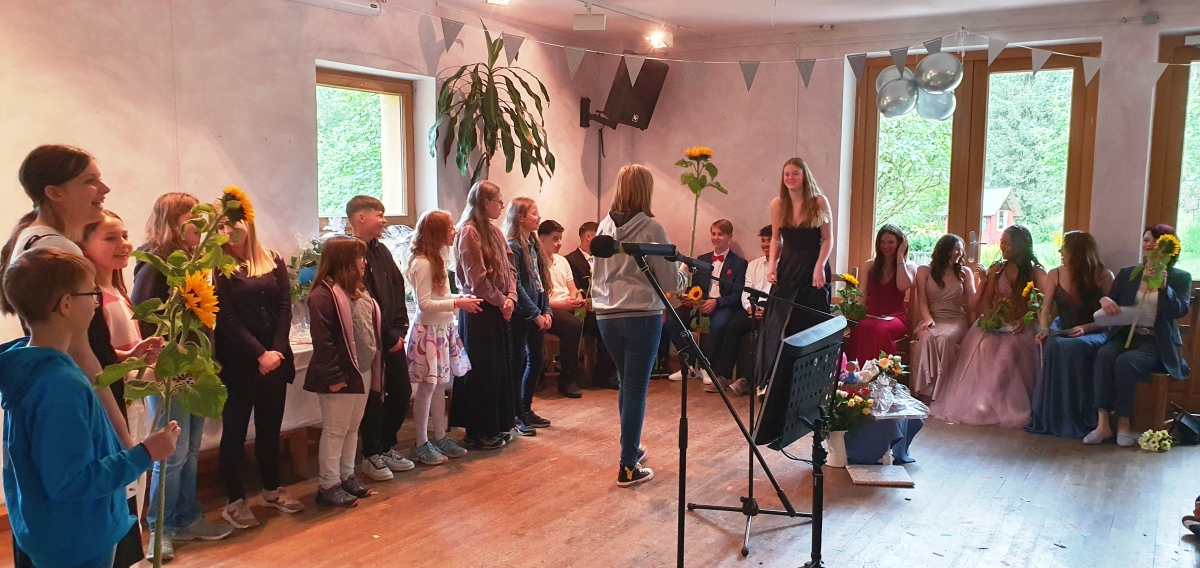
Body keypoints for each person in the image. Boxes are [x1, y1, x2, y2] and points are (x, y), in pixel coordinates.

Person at [0, 248, 181, 568]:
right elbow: (70, 481)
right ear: (66, 304)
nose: (97, 303)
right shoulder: (59, 386)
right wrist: (146, 453)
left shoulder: (30, 367)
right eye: (92, 294)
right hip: (78, 539)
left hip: (59, 531)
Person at [133, 193, 233, 559]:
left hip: (195, 369)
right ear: (173, 222)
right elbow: (145, 318)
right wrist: (163, 360)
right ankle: (161, 529)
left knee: (190, 450)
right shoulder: (156, 263)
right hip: (169, 371)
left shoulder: (194, 260)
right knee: (170, 455)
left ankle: (188, 517)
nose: (202, 226)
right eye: (193, 218)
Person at [592, 164, 687, 488]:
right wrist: (683, 275)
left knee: (626, 383)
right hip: (640, 315)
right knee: (635, 388)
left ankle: (630, 448)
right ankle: (628, 466)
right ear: (646, 191)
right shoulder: (651, 228)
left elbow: (598, 274)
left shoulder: (604, 226)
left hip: (607, 314)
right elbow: (668, 281)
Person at [214, 217, 304, 528]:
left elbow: (284, 306)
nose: (227, 231)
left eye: (233, 223)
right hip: (239, 361)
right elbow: (226, 317)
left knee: (270, 428)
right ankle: (235, 501)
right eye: (221, 226)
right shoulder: (218, 266)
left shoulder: (272, 258)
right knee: (235, 430)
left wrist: (275, 351)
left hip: (275, 359)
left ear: (248, 223)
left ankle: (271, 490)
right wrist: (259, 354)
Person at [930, 225, 1045, 428]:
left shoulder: (1035, 271)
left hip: (1023, 326)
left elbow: (1044, 302)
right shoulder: (997, 269)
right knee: (985, 345)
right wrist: (991, 319)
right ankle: (980, 399)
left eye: (1007, 243)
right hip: (998, 323)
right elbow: (986, 300)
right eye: (1002, 242)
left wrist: (1025, 320)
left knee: (1008, 349)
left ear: (1020, 246)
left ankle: (988, 398)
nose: (1003, 247)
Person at [1086, 225, 1191, 447]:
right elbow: (1110, 301)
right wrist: (1104, 300)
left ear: (1166, 246)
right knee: (1104, 354)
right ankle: (1102, 424)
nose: (1148, 244)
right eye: (1145, 240)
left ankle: (1124, 424)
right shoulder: (1128, 273)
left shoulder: (1180, 277)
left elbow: (1179, 310)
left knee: (1126, 361)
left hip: (1155, 342)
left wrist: (1165, 288)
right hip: (1126, 335)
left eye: (1154, 240)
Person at [305, 236, 381, 507]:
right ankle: (328, 484)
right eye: (359, 257)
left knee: (352, 428)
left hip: (361, 370)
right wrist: (334, 375)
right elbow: (323, 341)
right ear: (344, 261)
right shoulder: (323, 295)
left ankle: (346, 476)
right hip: (340, 374)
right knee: (335, 430)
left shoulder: (359, 290)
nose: (364, 262)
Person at [346, 196, 415, 481]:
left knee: (401, 392)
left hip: (393, 337)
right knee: (373, 397)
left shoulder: (382, 251)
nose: (385, 220)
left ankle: (386, 445)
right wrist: (386, 336)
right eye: (379, 214)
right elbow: (365, 299)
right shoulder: (349, 253)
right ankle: (371, 453)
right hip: (370, 340)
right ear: (360, 217)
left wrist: (400, 328)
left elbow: (398, 288)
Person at [405, 210, 480, 465]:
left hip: (441, 329)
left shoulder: (435, 259)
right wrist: (457, 303)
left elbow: (440, 297)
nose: (455, 232)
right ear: (437, 232)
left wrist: (460, 298)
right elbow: (425, 304)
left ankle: (439, 437)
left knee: (439, 386)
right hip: (428, 331)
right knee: (426, 388)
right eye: (450, 228)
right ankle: (421, 442)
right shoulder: (423, 263)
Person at [451, 181, 519, 450]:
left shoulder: (495, 232)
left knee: (498, 369)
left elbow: (511, 267)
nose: (501, 206)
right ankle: (478, 431)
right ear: (485, 203)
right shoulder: (469, 232)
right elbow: (476, 280)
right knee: (481, 372)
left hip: (499, 307)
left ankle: (496, 425)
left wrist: (511, 297)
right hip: (479, 309)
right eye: (498, 201)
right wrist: (502, 301)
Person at [1028, 231, 1114, 439]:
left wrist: (1086, 328)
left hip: (1094, 330)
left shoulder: (1104, 276)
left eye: (1064, 247)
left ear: (1077, 252)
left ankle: (1079, 416)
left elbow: (1110, 318)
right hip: (1063, 327)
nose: (1060, 251)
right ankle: (1054, 416)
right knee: (1054, 344)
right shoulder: (1055, 274)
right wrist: (1043, 329)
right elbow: (1046, 310)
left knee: (1073, 346)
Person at [757, 158, 833, 390]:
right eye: (787, 174)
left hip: (813, 267)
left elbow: (828, 239)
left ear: (805, 176)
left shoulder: (819, 201)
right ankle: (776, 382)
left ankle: (811, 382)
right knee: (778, 321)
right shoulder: (778, 204)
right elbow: (776, 239)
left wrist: (820, 266)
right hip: (788, 266)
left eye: (795, 173)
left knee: (809, 321)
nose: (790, 178)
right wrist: (772, 265)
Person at [910, 234, 976, 400]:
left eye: (961, 250)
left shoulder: (965, 272)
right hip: (932, 316)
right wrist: (927, 318)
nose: (960, 254)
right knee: (926, 337)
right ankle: (925, 391)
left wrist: (984, 281)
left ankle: (942, 393)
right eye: (956, 249)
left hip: (956, 319)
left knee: (944, 340)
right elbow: (922, 300)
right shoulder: (924, 270)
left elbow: (973, 302)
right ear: (944, 250)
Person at [845, 224, 915, 364]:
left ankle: (882, 371)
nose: (886, 246)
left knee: (880, 329)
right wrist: (851, 316)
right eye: (882, 242)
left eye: (890, 242)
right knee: (859, 326)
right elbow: (862, 295)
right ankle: (860, 372)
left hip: (895, 316)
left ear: (900, 243)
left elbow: (902, 286)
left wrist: (900, 256)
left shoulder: (909, 266)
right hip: (871, 313)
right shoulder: (870, 265)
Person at [694, 219, 749, 395]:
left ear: (730, 237)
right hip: (702, 303)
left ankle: (707, 366)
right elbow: (694, 286)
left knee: (718, 325)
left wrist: (717, 302)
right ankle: (690, 365)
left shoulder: (739, 263)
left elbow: (737, 294)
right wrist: (693, 299)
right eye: (713, 234)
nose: (715, 238)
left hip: (724, 305)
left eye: (720, 234)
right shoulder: (702, 260)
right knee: (673, 319)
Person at [565, 221, 618, 389]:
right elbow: (573, 289)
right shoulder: (570, 260)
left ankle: (609, 371)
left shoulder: (603, 259)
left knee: (617, 320)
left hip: (603, 307)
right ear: (589, 237)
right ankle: (604, 375)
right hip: (583, 311)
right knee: (607, 324)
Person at [538, 219, 586, 398]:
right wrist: (563, 305)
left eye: (560, 239)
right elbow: (538, 298)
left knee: (601, 319)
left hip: (567, 305)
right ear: (542, 239)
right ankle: (567, 380)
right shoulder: (536, 262)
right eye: (555, 239)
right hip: (549, 307)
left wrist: (578, 300)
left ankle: (604, 373)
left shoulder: (562, 261)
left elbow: (572, 288)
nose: (559, 243)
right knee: (572, 325)